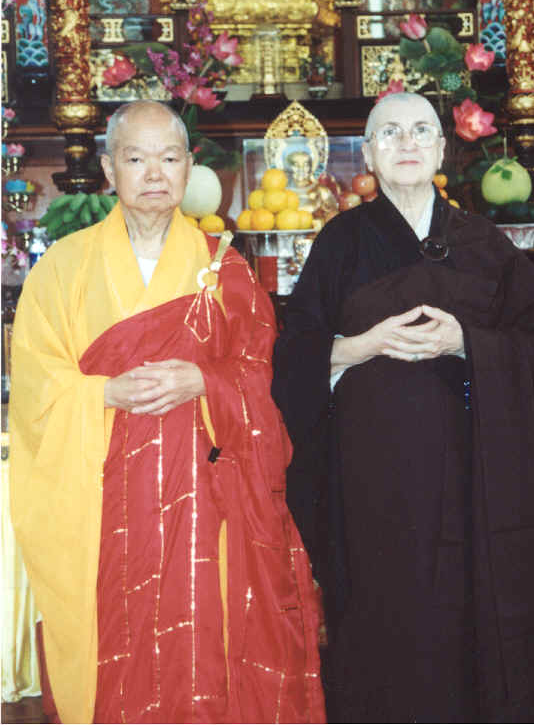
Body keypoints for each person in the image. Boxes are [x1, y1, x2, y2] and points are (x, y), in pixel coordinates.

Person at [9, 100, 326, 725]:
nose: (153, 172)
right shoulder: (62, 269)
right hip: (102, 501)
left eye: (169, 157)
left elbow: (265, 380)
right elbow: (35, 384)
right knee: (117, 643)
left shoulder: (225, 270)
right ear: (108, 169)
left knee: (207, 641)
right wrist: (100, 393)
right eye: (135, 157)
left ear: (188, 167)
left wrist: (204, 380)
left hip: (209, 501)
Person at [272, 92, 534, 723]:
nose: (407, 142)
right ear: (367, 154)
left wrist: (467, 343)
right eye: (389, 133)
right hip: (374, 489)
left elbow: (532, 342)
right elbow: (293, 357)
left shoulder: (486, 247)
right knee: (383, 629)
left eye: (422, 130)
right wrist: (359, 345)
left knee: (472, 627)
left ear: (443, 150)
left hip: (476, 482)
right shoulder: (340, 243)